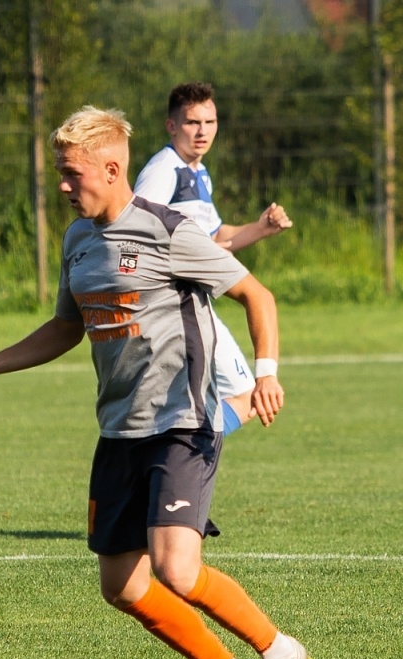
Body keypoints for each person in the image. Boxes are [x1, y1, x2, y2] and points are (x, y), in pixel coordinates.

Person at [0, 105, 307, 659]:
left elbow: (256, 294)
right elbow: (66, 326)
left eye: (70, 173)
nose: (61, 185)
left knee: (175, 568)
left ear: (111, 168)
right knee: (123, 585)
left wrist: (266, 373)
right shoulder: (78, 240)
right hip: (119, 430)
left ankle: (278, 651)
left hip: (184, 424)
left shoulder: (169, 231)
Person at [134, 82, 292, 434]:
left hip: (191, 302)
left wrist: (260, 228)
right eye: (192, 122)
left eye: (210, 121)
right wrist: (192, 255)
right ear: (171, 126)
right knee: (247, 394)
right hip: (173, 303)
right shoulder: (164, 171)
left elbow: (217, 237)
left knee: (192, 404)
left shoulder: (197, 173)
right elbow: (138, 231)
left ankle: (177, 459)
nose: (203, 131)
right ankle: (183, 461)